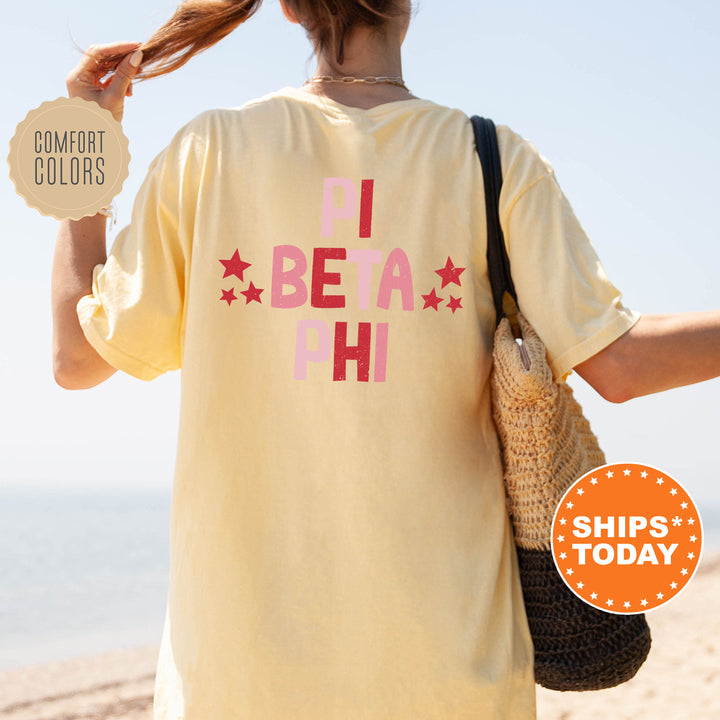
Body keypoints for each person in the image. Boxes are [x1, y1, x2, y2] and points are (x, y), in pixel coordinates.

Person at [53, 2, 720, 719]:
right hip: (449, 669)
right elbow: (620, 366)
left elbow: (76, 359)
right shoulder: (491, 160)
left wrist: (85, 142)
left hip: (237, 676)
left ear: (286, 8)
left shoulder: (209, 151)